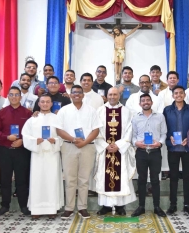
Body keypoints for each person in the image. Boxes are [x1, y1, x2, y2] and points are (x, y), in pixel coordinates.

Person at [56, 85, 102, 219]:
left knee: (83, 179)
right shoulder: (64, 111)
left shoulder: (91, 110)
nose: (76, 94)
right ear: (70, 95)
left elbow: (96, 130)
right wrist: (74, 139)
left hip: (87, 147)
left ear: (83, 95)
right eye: (74, 92)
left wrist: (85, 142)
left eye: (79, 92)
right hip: (69, 146)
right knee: (70, 179)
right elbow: (59, 130)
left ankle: (82, 207)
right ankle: (69, 208)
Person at [94, 88, 136, 216]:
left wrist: (118, 145)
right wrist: (105, 145)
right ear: (106, 96)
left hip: (120, 151)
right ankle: (105, 206)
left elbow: (130, 129)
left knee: (121, 176)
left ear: (119, 96)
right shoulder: (100, 111)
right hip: (104, 150)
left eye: (115, 94)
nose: (112, 96)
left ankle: (120, 206)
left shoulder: (127, 111)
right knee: (104, 176)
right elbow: (96, 130)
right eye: (110, 94)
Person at [22, 94, 64, 219]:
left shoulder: (57, 118)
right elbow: (25, 135)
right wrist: (35, 140)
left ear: (51, 104)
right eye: (42, 102)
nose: (45, 104)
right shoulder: (32, 119)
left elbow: (63, 136)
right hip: (38, 155)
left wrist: (55, 140)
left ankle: (52, 208)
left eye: (47, 102)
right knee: (37, 181)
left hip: (52, 154)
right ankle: (36, 209)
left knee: (52, 181)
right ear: (39, 104)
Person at [0, 86, 33, 216]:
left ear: (21, 97)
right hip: (5, 150)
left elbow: (31, 132)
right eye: (11, 95)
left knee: (22, 179)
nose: (14, 97)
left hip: (22, 151)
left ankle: (23, 205)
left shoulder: (27, 113)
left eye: (17, 95)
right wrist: (6, 137)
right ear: (8, 97)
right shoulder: (2, 112)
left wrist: (22, 140)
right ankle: (5, 205)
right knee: (5, 179)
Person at [163, 85, 189, 215]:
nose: (178, 95)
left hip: (187, 148)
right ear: (173, 95)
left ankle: (187, 204)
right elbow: (164, 128)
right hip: (173, 148)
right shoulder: (167, 110)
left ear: (184, 94)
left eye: (181, 93)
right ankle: (173, 205)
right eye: (176, 93)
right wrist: (169, 137)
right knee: (173, 177)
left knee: (187, 177)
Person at [131, 93, 167, 217]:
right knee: (141, 179)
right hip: (141, 152)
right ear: (140, 104)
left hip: (155, 152)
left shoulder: (160, 117)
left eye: (148, 100)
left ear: (151, 102)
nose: (145, 102)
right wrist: (136, 143)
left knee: (155, 180)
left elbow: (164, 133)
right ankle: (141, 206)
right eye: (143, 100)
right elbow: (133, 135)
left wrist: (160, 143)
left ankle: (157, 207)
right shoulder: (135, 118)